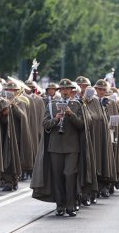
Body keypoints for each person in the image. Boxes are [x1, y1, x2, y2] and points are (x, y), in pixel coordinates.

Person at [42, 79, 84, 217]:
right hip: (55, 147)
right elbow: (45, 124)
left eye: (67, 89)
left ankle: (71, 205)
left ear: (72, 90)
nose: (65, 91)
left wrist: (70, 114)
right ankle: (60, 205)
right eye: (63, 89)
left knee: (69, 174)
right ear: (60, 90)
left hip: (72, 147)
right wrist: (56, 119)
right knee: (58, 177)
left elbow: (82, 126)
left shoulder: (77, 105)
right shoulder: (51, 105)